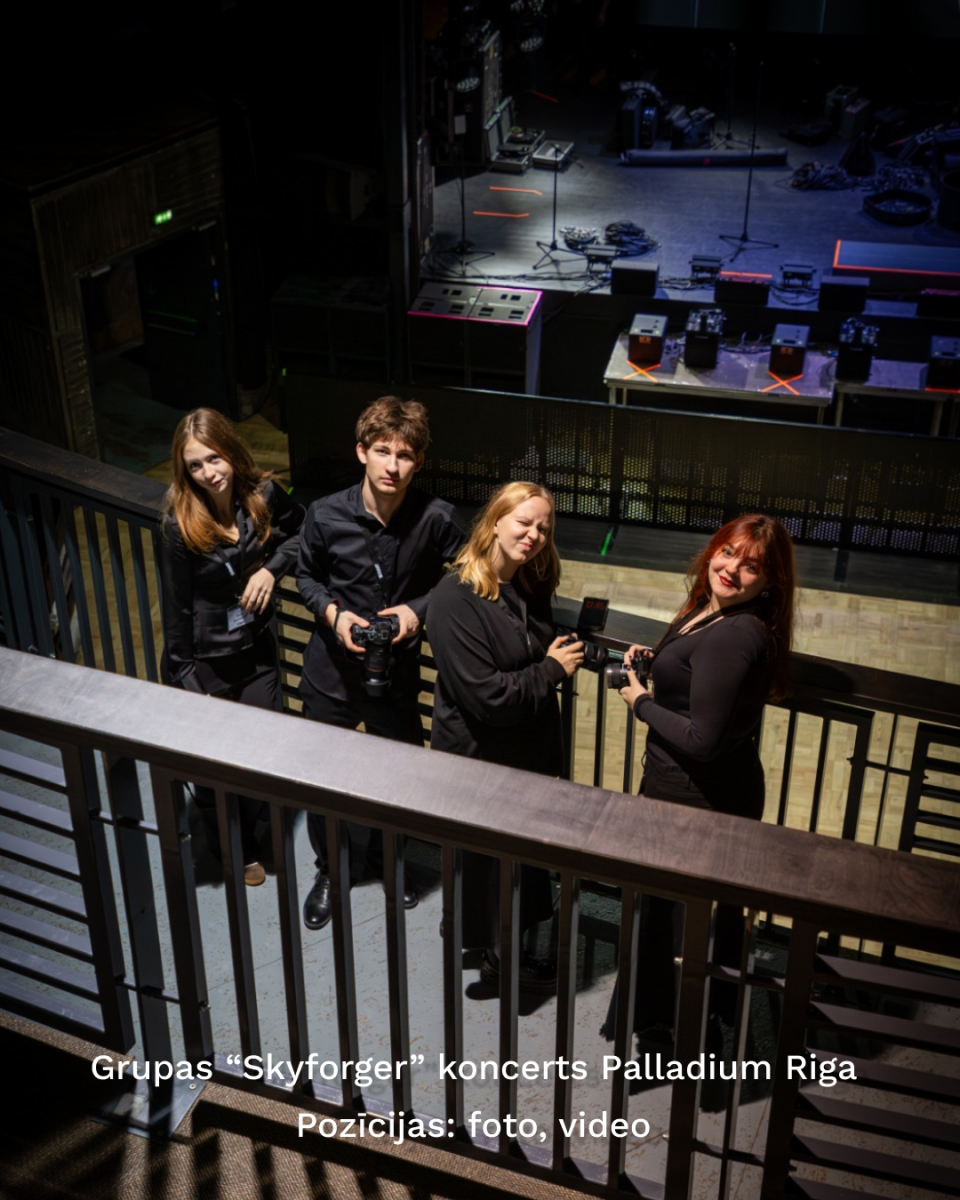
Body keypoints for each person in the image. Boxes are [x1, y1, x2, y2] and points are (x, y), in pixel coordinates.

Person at [610, 512, 797, 1039]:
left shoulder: (734, 635)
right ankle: (677, 1022)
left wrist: (640, 701)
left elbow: (702, 740)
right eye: (728, 553)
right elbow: (697, 684)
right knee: (668, 915)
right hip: (686, 788)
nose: (732, 569)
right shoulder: (709, 609)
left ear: (769, 581)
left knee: (676, 924)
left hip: (698, 797)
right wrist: (657, 664)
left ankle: (681, 1033)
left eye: (751, 566)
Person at [296, 396, 466, 930]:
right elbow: (306, 577)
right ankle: (331, 870)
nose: (392, 465)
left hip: (396, 677)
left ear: (419, 462)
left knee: (400, 781)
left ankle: (388, 860)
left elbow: (468, 575)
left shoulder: (438, 518)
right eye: (382, 451)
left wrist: (418, 612)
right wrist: (334, 616)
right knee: (323, 782)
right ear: (361, 452)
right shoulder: (325, 513)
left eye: (405, 455)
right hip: (330, 673)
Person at [426, 481, 584, 991]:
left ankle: (494, 950)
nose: (534, 535)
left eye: (544, 528)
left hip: (521, 761)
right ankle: (499, 964)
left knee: (511, 872)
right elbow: (489, 698)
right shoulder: (453, 598)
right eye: (524, 522)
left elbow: (526, 652)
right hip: (480, 765)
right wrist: (553, 670)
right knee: (490, 874)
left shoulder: (527, 584)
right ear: (495, 522)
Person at [159, 408, 304, 886]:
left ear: (230, 452)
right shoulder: (179, 526)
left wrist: (270, 570)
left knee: (261, 754)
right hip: (203, 664)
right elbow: (176, 610)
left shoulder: (263, 493)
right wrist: (188, 684)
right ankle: (231, 847)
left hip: (256, 651)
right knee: (213, 769)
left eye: (214, 458)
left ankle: (250, 827)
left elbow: (301, 532)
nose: (208, 473)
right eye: (195, 465)